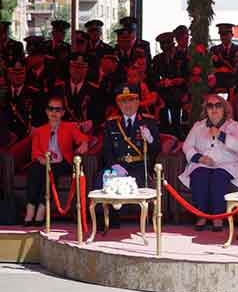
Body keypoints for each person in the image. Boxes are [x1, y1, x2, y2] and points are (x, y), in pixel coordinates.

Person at [179, 94, 238, 232]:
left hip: (226, 165)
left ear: (224, 108)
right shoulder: (199, 126)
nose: (214, 109)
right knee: (199, 176)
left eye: (218, 105)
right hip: (203, 163)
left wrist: (221, 135)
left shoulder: (232, 125)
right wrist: (199, 158)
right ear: (206, 109)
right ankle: (201, 216)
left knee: (218, 177)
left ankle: (218, 217)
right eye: (210, 106)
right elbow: (187, 146)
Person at [99, 84, 160, 229]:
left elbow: (157, 149)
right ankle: (106, 220)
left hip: (139, 166)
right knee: (102, 177)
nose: (127, 104)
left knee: (131, 181)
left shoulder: (148, 122)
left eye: (131, 100)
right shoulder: (112, 124)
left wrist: (150, 139)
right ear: (118, 104)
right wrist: (114, 165)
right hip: (118, 165)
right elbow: (106, 150)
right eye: (123, 101)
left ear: (138, 102)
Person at [25, 95, 89, 226]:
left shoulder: (70, 127)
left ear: (63, 113)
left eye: (58, 109)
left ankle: (42, 210)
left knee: (51, 172)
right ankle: (30, 209)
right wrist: (41, 159)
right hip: (44, 161)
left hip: (62, 162)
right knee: (34, 171)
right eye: (51, 109)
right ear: (46, 111)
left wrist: (84, 144)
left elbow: (83, 138)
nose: (54, 112)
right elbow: (35, 152)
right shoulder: (39, 130)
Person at [52, 54, 100, 133]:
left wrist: (91, 123)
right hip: (61, 130)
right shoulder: (59, 88)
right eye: (74, 67)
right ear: (69, 69)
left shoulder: (94, 90)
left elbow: (99, 114)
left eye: (81, 68)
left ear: (86, 70)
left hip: (85, 131)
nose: (77, 70)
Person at [152, 32, 188, 138]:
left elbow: (188, 76)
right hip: (164, 90)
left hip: (180, 90)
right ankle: (165, 131)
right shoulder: (157, 59)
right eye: (162, 45)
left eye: (167, 44)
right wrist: (160, 82)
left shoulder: (183, 56)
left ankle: (177, 129)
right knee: (161, 102)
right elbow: (154, 77)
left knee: (175, 100)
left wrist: (177, 81)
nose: (165, 48)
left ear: (173, 44)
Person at [210, 23, 238, 90]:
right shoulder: (214, 49)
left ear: (232, 35)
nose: (223, 37)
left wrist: (223, 69)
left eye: (226, 34)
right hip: (218, 85)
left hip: (234, 85)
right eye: (221, 35)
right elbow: (211, 68)